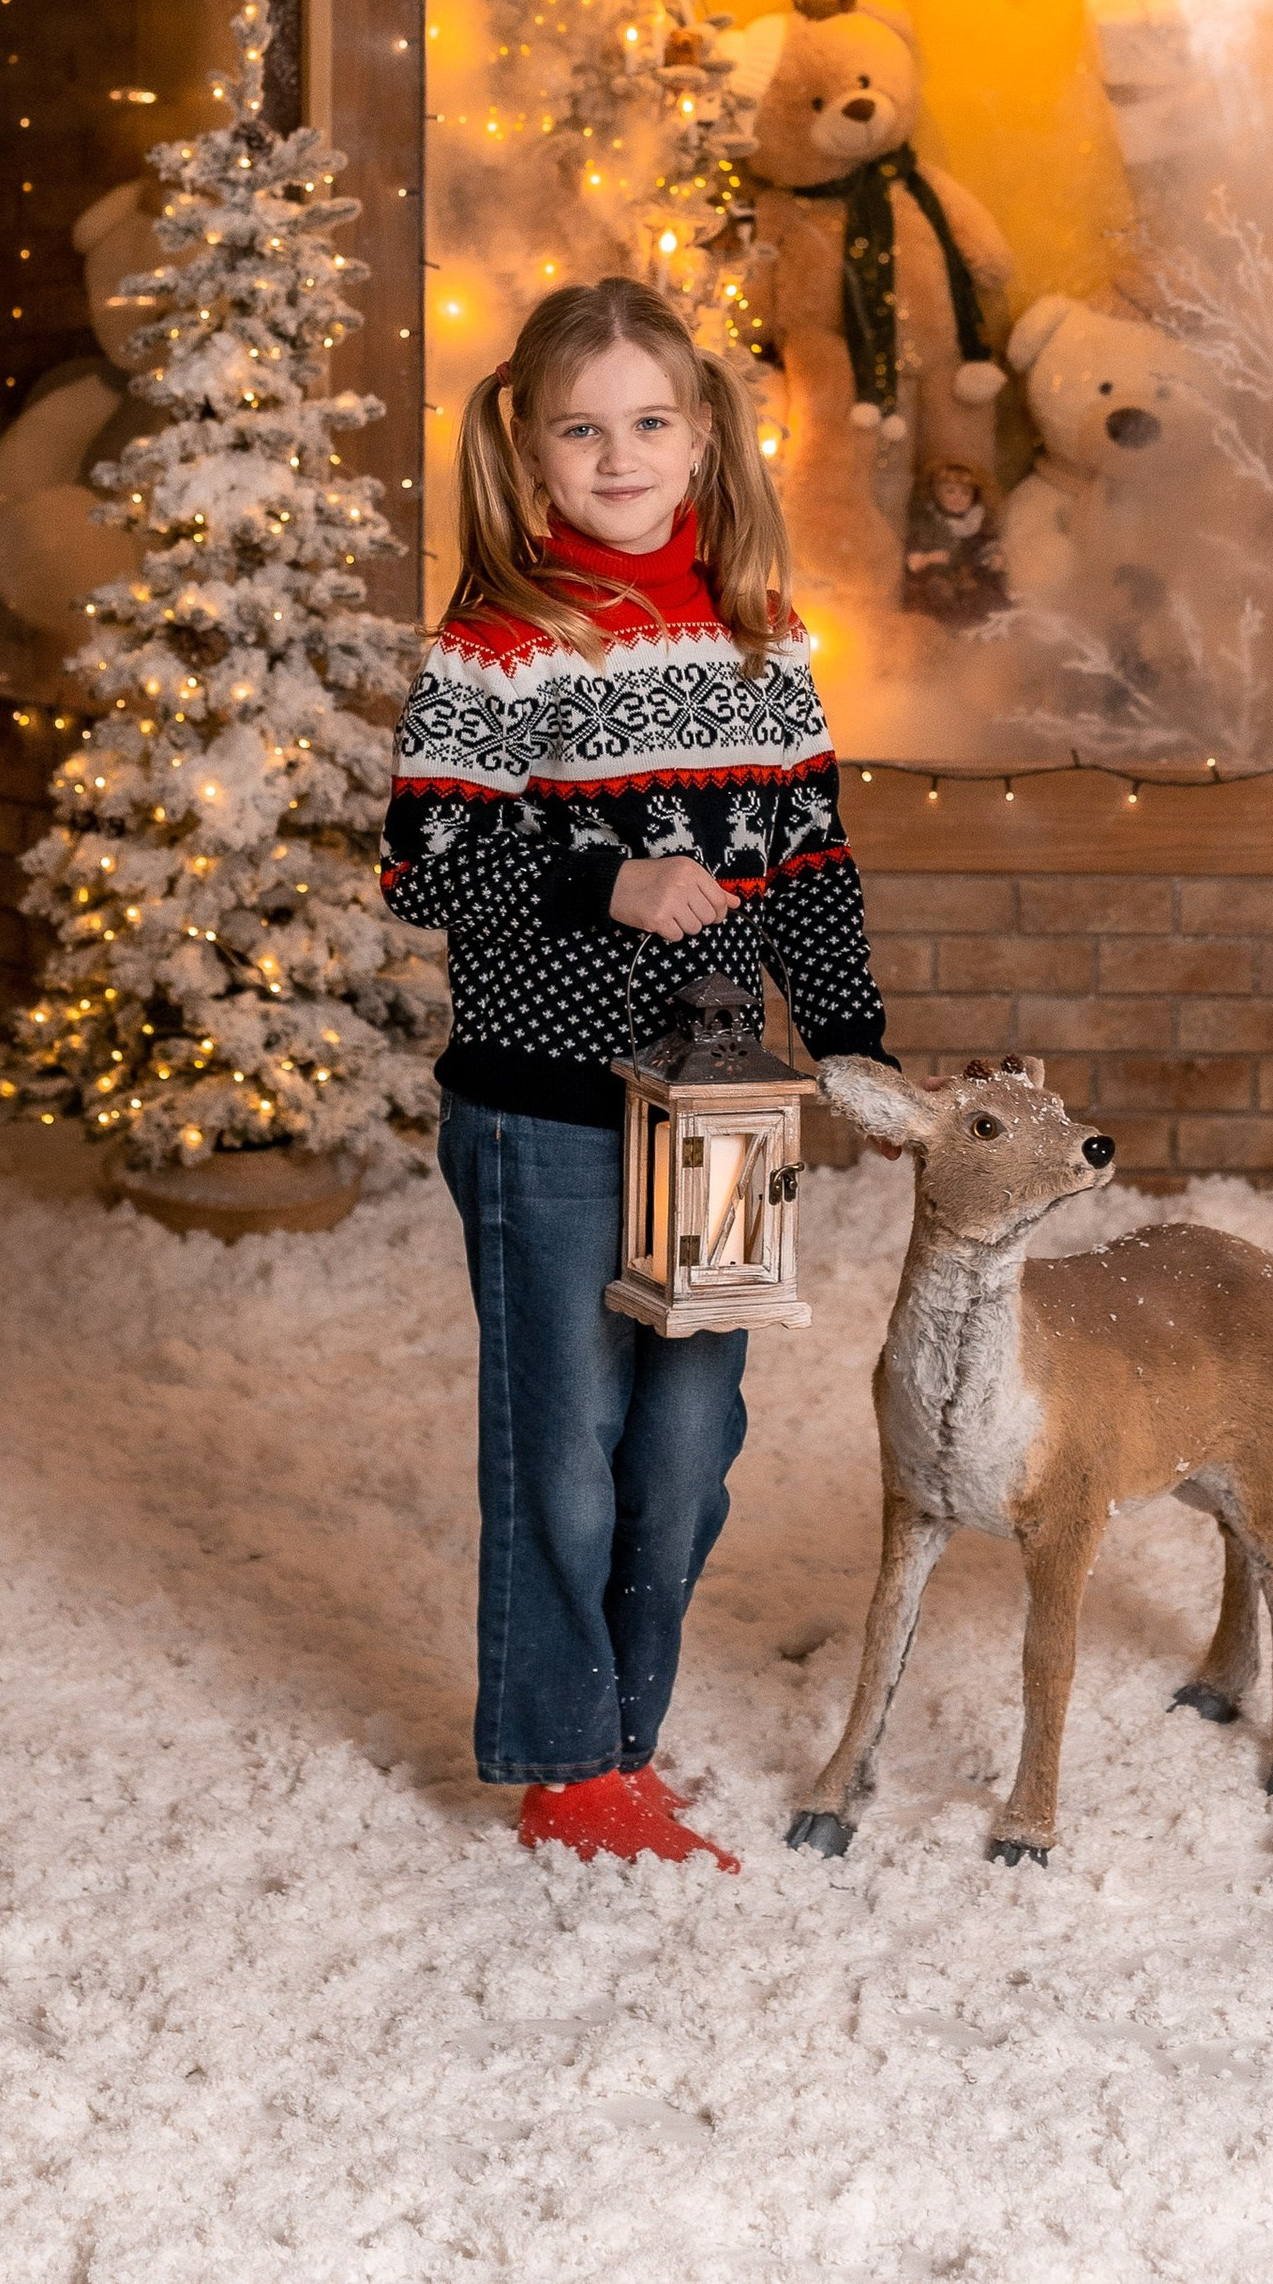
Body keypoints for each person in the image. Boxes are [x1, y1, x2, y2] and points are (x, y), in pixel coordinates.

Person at [384, 276, 893, 1869]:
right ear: (528, 451)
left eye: (650, 423)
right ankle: (568, 1766)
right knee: (567, 1455)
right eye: (583, 430)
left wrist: (851, 1035)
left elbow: (810, 864)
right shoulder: (500, 646)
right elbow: (421, 861)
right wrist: (606, 878)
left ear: (703, 440)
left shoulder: (763, 643)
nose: (620, 457)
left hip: (724, 1110)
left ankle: (626, 1738)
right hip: (544, 1115)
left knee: (686, 1449)